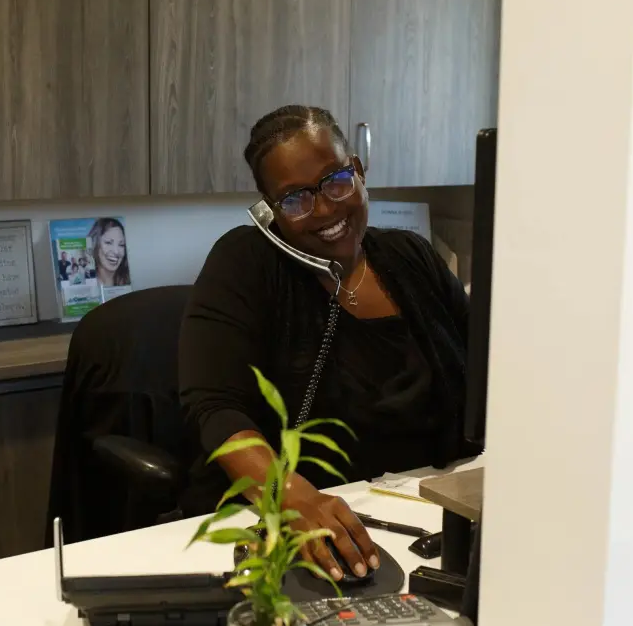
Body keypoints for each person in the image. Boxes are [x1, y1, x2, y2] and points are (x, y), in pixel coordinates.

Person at [178, 105, 479, 584]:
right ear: (268, 211)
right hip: (306, 527)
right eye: (294, 198)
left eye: (336, 180)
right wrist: (291, 495)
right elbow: (213, 407)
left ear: (358, 170)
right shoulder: (246, 263)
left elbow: (484, 370)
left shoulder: (411, 256)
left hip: (425, 514)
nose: (325, 209)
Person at [88, 218, 130, 287]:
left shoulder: (128, 281)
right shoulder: (86, 281)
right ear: (95, 244)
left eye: (121, 245)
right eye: (108, 243)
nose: (116, 252)